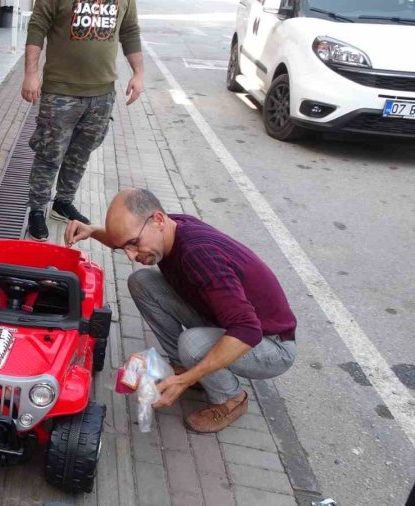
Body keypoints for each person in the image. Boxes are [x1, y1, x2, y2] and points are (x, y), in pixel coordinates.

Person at [64, 188, 297, 433]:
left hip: (270, 344)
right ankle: (187, 366)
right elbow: (123, 237)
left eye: (133, 244)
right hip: (225, 320)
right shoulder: (170, 229)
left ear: (158, 220)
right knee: (141, 281)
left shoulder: (199, 255)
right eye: (125, 247)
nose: (131, 255)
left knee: (191, 344)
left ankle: (231, 399)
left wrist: (184, 381)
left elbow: (248, 330)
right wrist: (91, 231)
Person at [22, 0, 144, 241]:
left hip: (102, 93)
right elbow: (37, 27)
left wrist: (138, 73)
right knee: (49, 154)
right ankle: (37, 209)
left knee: (80, 154)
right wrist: (31, 74)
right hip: (60, 92)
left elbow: (130, 31)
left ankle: (63, 202)